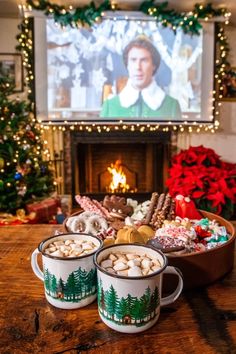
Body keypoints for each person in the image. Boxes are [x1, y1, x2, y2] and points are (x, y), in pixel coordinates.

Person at [100, 36, 182, 120]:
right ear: (127, 65)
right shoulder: (110, 107)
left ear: (153, 65)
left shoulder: (171, 106)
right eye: (133, 60)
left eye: (144, 60)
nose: (138, 67)